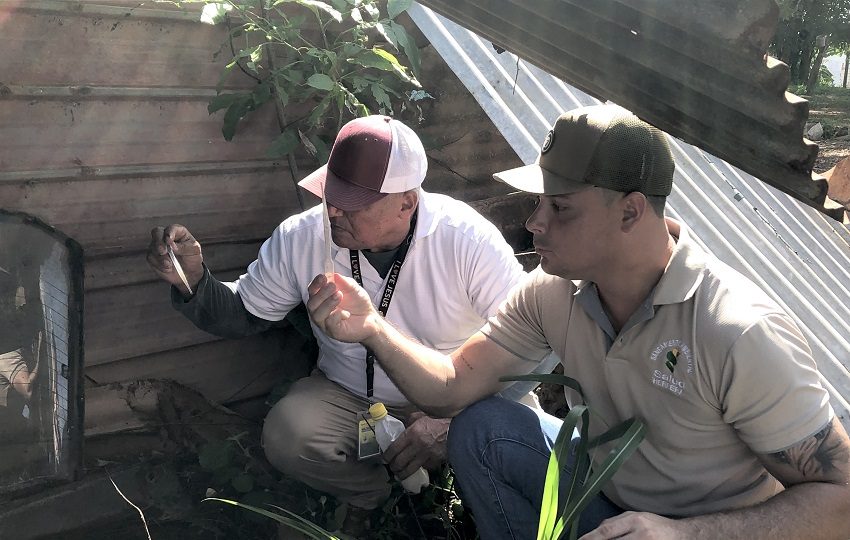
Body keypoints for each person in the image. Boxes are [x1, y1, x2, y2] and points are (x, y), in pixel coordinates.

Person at [306, 104, 850, 539]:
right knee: (481, 427)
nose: (534, 223)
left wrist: (687, 534)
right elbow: (450, 390)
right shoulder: (553, 293)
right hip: (602, 496)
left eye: (560, 208)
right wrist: (373, 327)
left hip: (699, 530)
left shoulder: (737, 331)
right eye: (539, 202)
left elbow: (840, 503)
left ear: (631, 212)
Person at [147, 115, 555, 515]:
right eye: (331, 195)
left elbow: (534, 341)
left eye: (353, 204)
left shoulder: (465, 239)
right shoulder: (302, 236)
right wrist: (194, 281)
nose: (334, 213)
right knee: (290, 432)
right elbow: (243, 313)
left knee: (513, 453)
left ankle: (463, 500)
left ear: (406, 202)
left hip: (455, 398)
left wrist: (448, 422)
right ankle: (378, 500)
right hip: (351, 397)